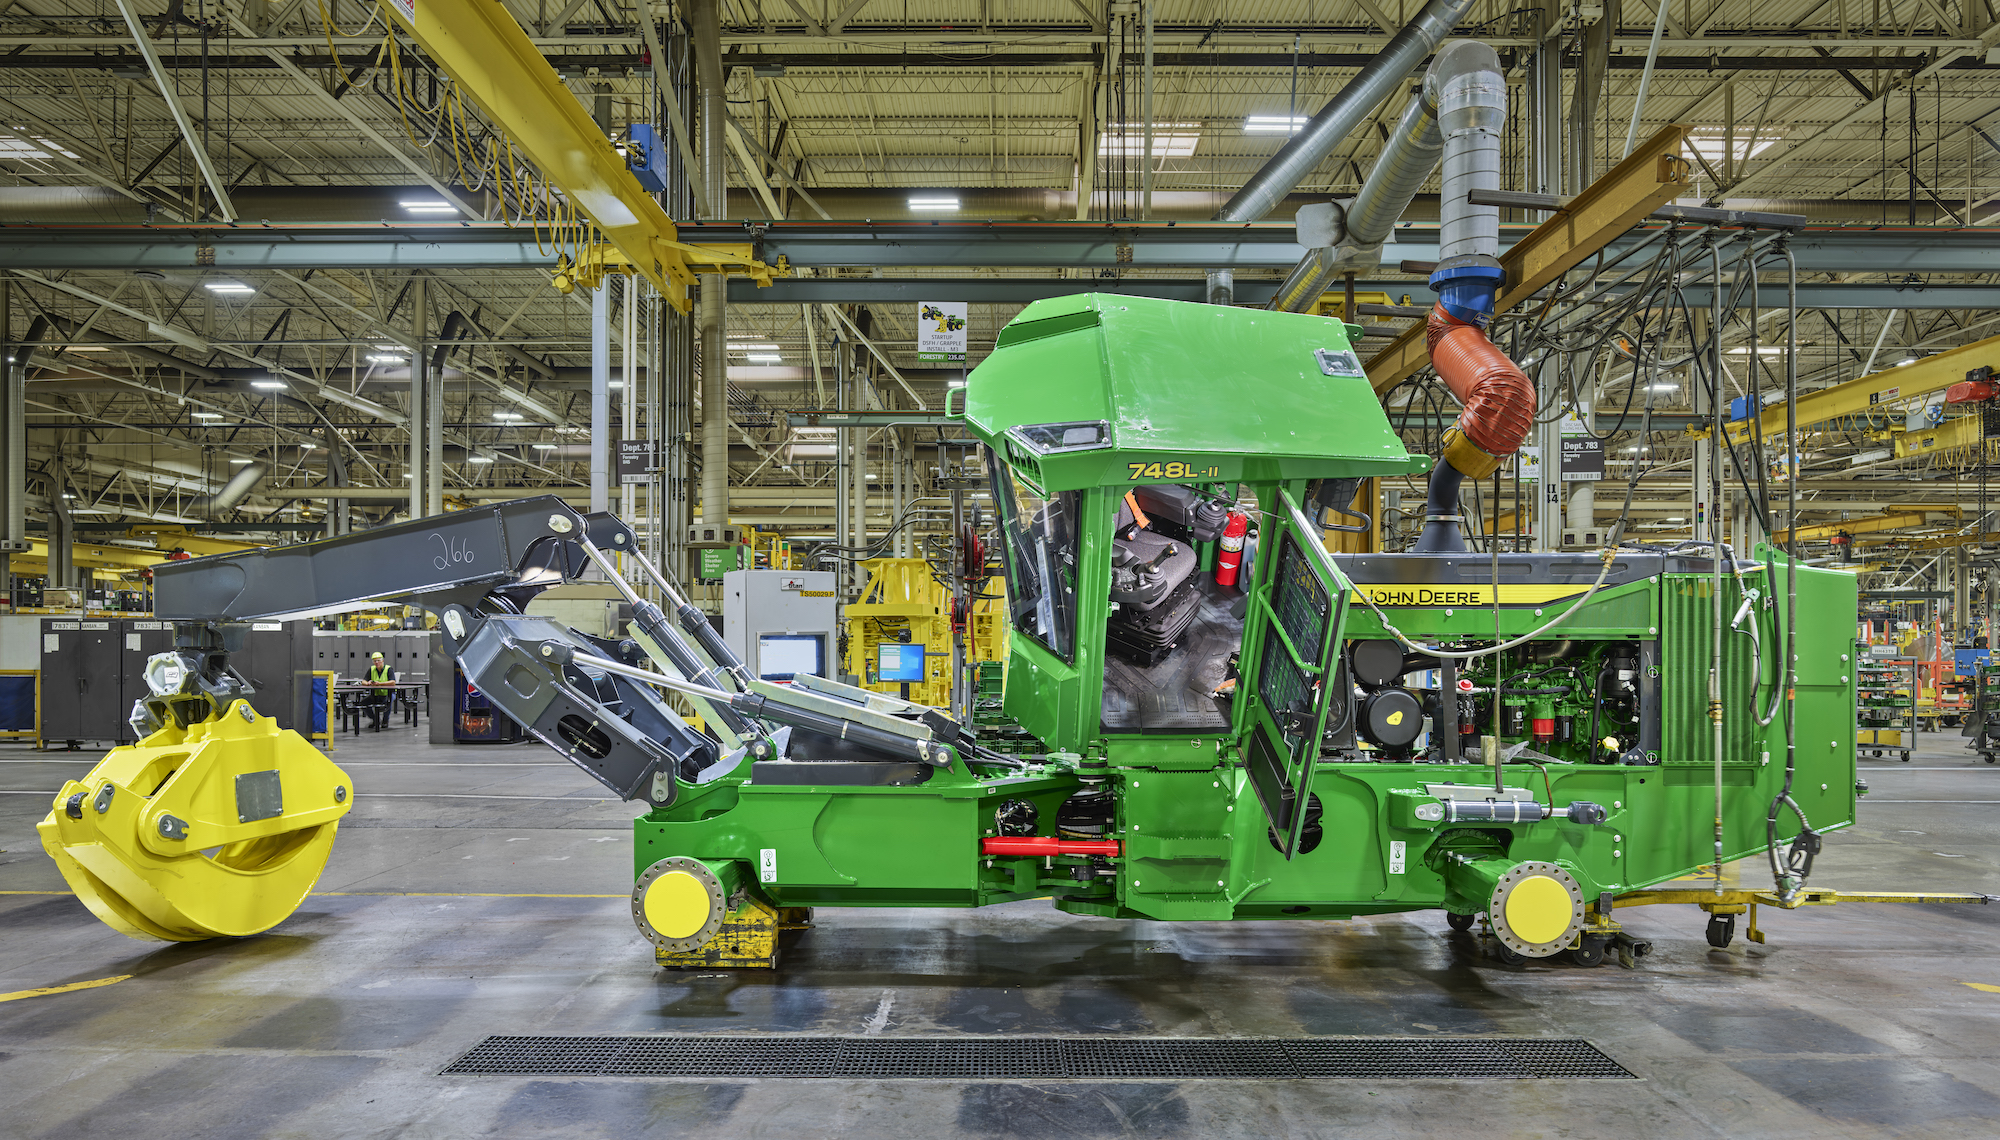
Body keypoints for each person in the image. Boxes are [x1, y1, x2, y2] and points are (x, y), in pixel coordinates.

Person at [363, 651, 396, 731]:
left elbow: (393, 682)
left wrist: (380, 684)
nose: (376, 662)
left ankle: (385, 720)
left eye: (378, 660)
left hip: (388, 693)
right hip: (376, 694)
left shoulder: (388, 669)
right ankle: (375, 720)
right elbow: (363, 681)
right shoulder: (371, 669)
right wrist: (368, 683)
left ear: (382, 661)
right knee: (363, 703)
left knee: (389, 701)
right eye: (375, 661)